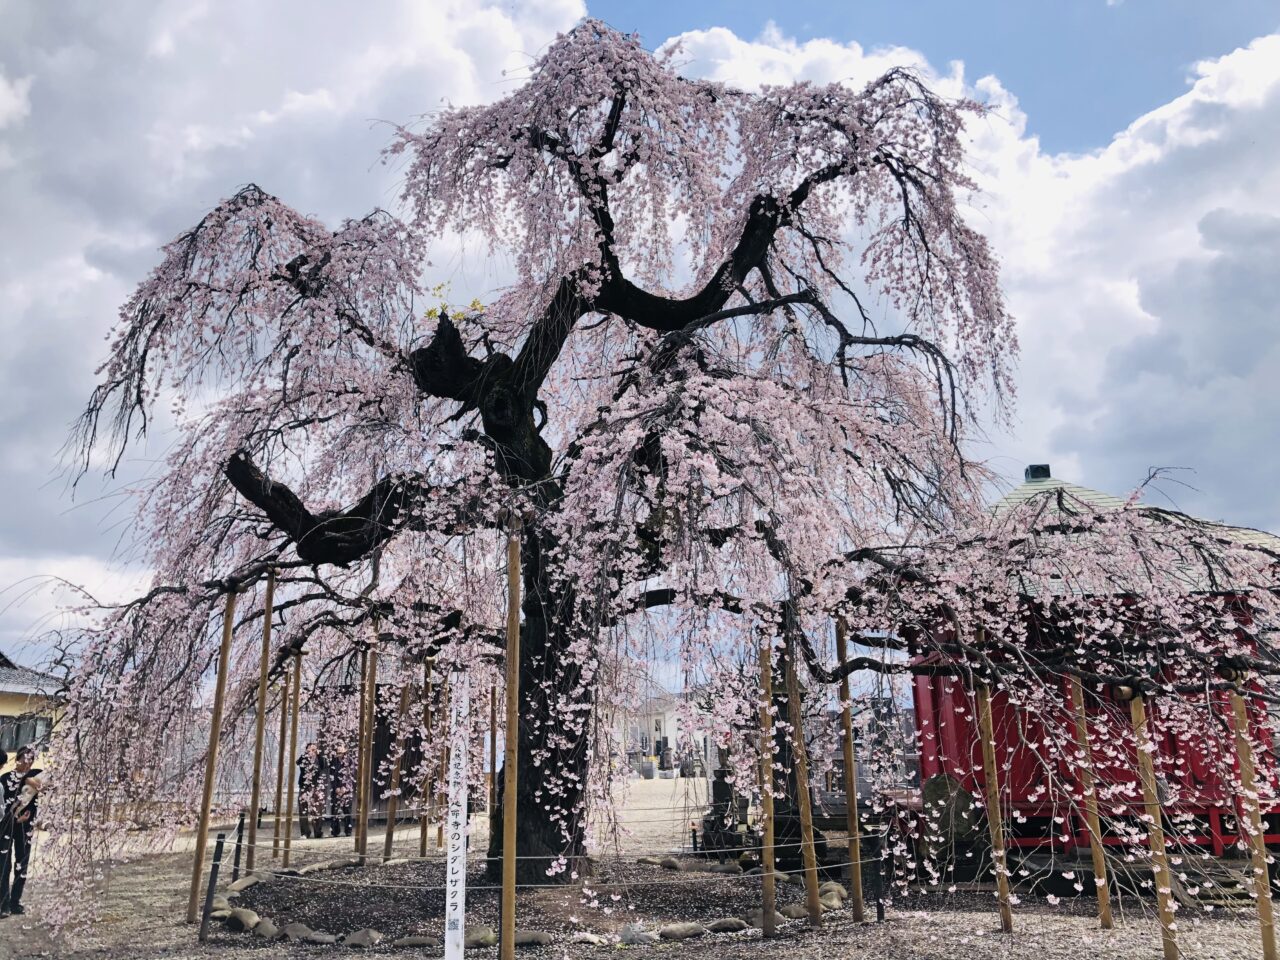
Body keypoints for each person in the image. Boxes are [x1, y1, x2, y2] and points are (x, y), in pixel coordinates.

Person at [0, 747, 42, 916]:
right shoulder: (5, 778)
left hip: (26, 827)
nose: (27, 763)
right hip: (7, 825)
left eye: (31, 760)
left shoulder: (36, 775)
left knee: (22, 862)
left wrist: (28, 779)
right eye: (25, 759)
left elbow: (48, 785)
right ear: (18, 759)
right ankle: (3, 904)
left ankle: (15, 901)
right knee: (4, 864)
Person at [296, 742, 326, 840]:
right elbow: (298, 762)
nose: (312, 752)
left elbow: (324, 765)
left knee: (317, 810)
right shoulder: (304, 759)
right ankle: (305, 833)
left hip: (316, 787)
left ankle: (318, 832)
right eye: (310, 750)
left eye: (314, 750)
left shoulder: (319, 759)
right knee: (303, 810)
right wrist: (306, 754)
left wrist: (318, 754)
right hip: (304, 786)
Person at [326, 743, 354, 837]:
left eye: (341, 752)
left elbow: (351, 775)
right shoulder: (334, 761)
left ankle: (348, 830)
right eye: (338, 752)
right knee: (335, 810)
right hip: (336, 789)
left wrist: (345, 787)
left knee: (347, 810)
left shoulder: (349, 761)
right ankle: (335, 831)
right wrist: (336, 787)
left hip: (347, 789)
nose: (340, 754)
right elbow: (332, 775)